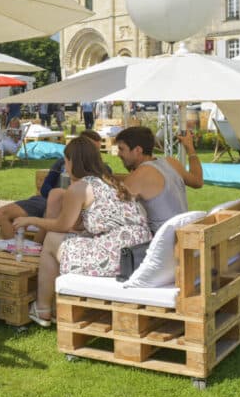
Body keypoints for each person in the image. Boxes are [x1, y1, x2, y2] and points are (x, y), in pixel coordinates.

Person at [12, 136, 151, 327]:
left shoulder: (80, 188)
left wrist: (31, 220)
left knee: (52, 240)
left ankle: (43, 307)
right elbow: (83, 225)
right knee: (64, 239)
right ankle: (52, 306)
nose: (65, 166)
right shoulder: (111, 183)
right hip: (138, 254)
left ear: (71, 162)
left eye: (66, 161)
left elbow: (61, 225)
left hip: (116, 257)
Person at [0, 130, 102, 238]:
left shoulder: (102, 170)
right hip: (45, 200)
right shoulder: (62, 163)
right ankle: (12, 249)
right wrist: (55, 198)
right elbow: (45, 188)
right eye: (91, 148)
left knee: (54, 202)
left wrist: (63, 198)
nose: (94, 153)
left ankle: (35, 249)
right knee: (1, 214)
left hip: (71, 206)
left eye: (97, 149)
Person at [114, 126, 204, 234]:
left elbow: (112, 211)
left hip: (162, 242)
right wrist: (190, 148)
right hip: (183, 234)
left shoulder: (139, 176)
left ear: (138, 150)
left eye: (121, 149)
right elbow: (198, 181)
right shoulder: (171, 162)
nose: (118, 154)